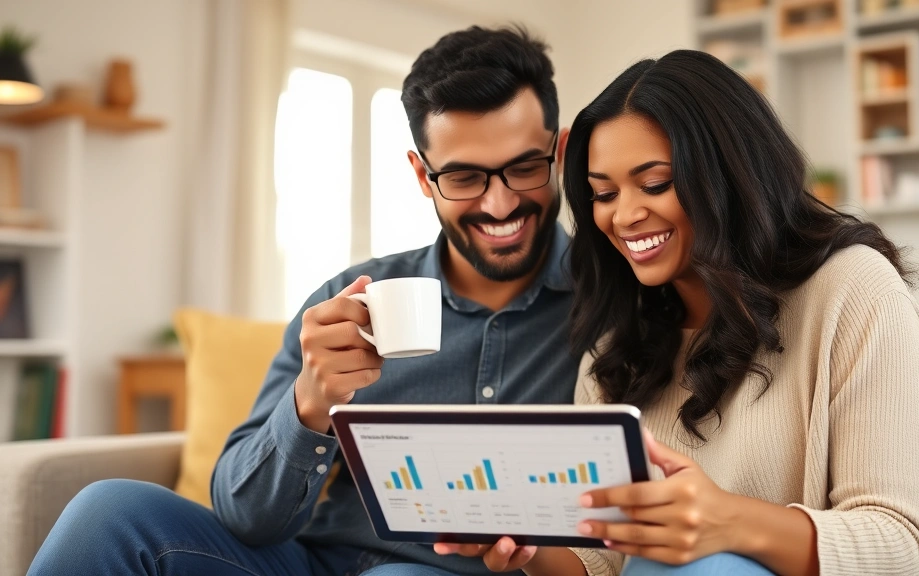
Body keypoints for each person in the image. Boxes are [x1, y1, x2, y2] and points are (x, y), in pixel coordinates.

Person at [29, 25, 578, 576]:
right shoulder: (351, 299)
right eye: (463, 177)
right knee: (107, 513)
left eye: (524, 168)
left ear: (557, 153)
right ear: (422, 176)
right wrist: (311, 404)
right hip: (310, 563)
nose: (500, 203)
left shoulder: (615, 303)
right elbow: (244, 516)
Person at [437, 50, 919, 575]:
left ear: (729, 173)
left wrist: (726, 523)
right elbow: (605, 563)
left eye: (655, 184)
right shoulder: (614, 347)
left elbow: (900, 545)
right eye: (603, 194)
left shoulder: (854, 291)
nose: (626, 215)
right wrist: (528, 544)